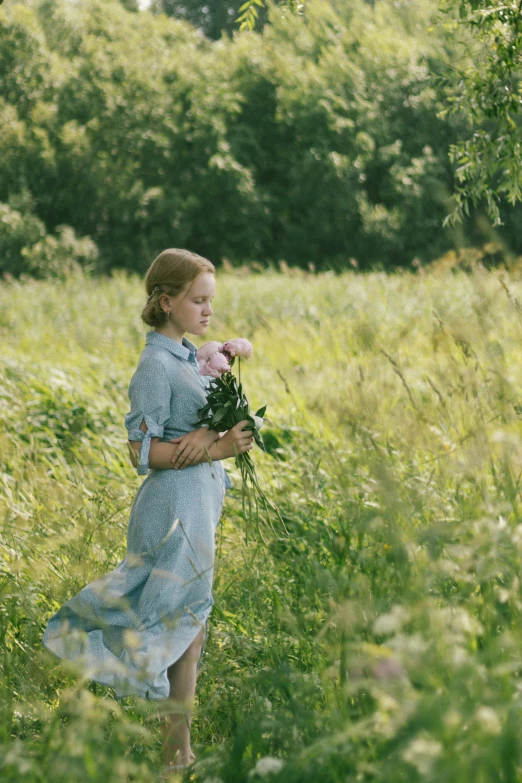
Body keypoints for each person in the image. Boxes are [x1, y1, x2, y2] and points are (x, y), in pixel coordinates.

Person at [42, 248, 254, 777]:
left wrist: (212, 435)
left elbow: (192, 429)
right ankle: (167, 749)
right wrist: (216, 447)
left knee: (190, 622)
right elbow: (141, 454)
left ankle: (178, 752)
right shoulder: (156, 365)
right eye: (198, 300)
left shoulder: (187, 357)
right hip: (172, 510)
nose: (208, 311)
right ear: (166, 302)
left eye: (211, 301)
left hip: (199, 506)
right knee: (171, 618)